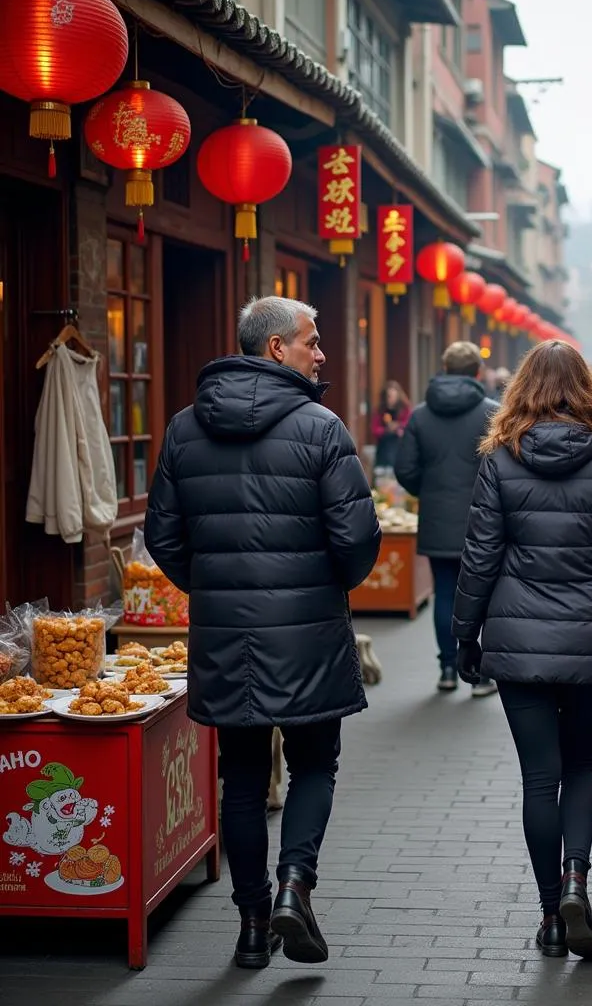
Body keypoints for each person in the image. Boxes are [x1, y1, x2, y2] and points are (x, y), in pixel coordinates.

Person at [145, 296, 381, 970]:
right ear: (276, 348)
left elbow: (163, 535)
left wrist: (215, 587)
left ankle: (252, 926)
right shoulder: (320, 427)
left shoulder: (186, 428)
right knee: (314, 763)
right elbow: (358, 540)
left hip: (226, 637)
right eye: (312, 340)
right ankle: (293, 886)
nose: (322, 353)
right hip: (307, 633)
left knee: (241, 778)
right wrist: (325, 584)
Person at [452, 340, 592, 960]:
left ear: (521, 389)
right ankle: (577, 881)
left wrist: (465, 634)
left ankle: (549, 914)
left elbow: (481, 555)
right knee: (578, 770)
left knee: (538, 779)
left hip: (518, 646)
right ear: (587, 389)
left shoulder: (500, 459)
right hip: (591, 642)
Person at [395, 341, 499, 696]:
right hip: (485, 522)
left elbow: (405, 468)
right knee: (483, 596)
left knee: (444, 594)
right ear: (477, 372)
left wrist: (430, 492)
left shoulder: (422, 415)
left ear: (444, 368)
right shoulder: (492, 413)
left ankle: (447, 670)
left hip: (438, 520)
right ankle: (482, 675)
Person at [370, 380, 411, 470]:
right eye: (389, 396)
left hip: (400, 448)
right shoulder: (380, 410)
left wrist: (398, 427)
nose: (391, 399)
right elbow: (375, 429)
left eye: (393, 396)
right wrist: (386, 430)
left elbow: (409, 425)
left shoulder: (405, 409)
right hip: (384, 449)